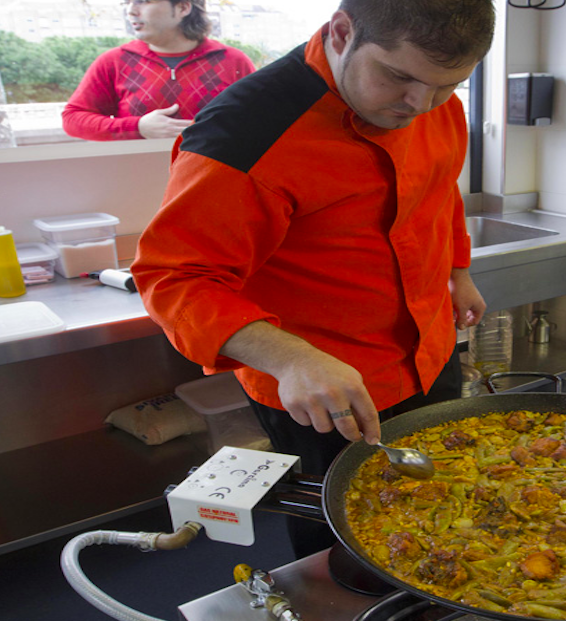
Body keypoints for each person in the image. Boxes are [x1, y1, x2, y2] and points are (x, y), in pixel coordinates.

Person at [132, 0, 494, 558]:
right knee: (345, 535)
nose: (420, 105)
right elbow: (174, 277)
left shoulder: (430, 98)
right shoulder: (248, 134)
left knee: (440, 501)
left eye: (448, 87)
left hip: (431, 348)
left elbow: (439, 189)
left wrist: (458, 270)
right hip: (324, 389)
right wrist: (291, 358)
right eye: (397, 77)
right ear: (343, 31)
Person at [61, 0, 255, 141]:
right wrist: (137, 127)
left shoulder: (233, 61)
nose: (131, 11)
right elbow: (73, 119)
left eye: (143, 1)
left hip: (214, 183)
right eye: (127, 3)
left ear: (182, 7)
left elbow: (263, 120)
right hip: (137, 182)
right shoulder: (113, 61)